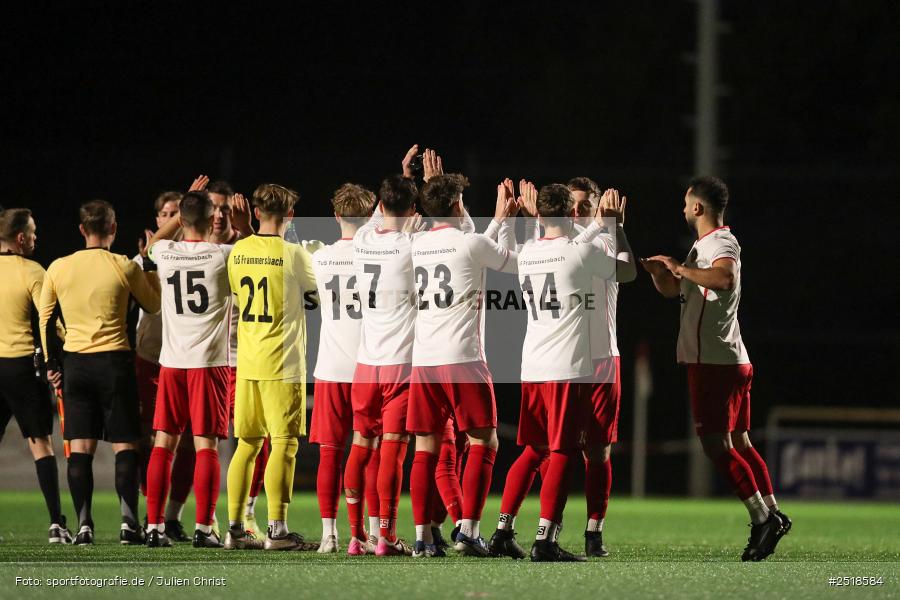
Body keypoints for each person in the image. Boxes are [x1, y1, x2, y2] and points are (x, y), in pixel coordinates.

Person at [640, 176, 791, 562]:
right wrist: (663, 275)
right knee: (740, 442)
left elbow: (724, 278)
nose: (682, 208)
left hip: (715, 363)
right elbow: (683, 292)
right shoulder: (702, 246)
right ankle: (772, 512)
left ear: (697, 208)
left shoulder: (721, 242)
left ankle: (762, 519)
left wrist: (681, 269)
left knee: (716, 446)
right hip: (729, 359)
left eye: (685, 202)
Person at [497, 182, 616, 562]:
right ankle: (546, 538)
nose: (581, 214)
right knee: (560, 451)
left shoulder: (533, 249)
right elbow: (614, 265)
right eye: (574, 208)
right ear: (568, 213)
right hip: (568, 365)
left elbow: (517, 249)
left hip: (545, 364)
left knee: (553, 450)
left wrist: (525, 220)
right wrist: (606, 223)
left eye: (587, 208)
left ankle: (507, 530)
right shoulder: (580, 248)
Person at [405, 173, 519, 558]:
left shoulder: (416, 243)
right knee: (483, 440)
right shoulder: (470, 242)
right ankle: (468, 530)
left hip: (423, 360)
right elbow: (515, 264)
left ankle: (422, 537)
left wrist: (496, 222)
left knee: (425, 448)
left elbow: (468, 243)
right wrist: (507, 222)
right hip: (463, 357)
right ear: (457, 205)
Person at [39, 199, 161, 545]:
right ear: (114, 229)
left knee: (80, 447)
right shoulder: (124, 265)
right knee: (125, 445)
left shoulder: (59, 267)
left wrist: (51, 365)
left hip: (76, 364)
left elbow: (46, 320)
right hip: (115, 363)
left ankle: (84, 526)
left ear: (82, 230)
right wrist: (148, 263)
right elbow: (152, 304)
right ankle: (127, 524)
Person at [224, 183, 317, 551]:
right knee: (284, 443)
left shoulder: (238, 251)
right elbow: (315, 297)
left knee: (246, 443)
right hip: (282, 361)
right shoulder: (293, 254)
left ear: (256, 212)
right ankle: (277, 530)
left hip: (247, 361)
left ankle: (235, 527)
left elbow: (236, 295)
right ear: (290, 215)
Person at [142, 191, 235, 549]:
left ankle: (154, 527)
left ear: (181, 220)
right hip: (208, 365)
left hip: (171, 364)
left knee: (163, 444)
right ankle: (203, 527)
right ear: (213, 219)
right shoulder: (222, 255)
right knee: (205, 446)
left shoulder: (165, 254)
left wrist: (177, 218)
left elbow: (152, 243)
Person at [306, 183, 375, 553]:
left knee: (330, 452)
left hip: (330, 365)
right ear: (368, 216)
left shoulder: (319, 257)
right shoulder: (376, 255)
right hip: (368, 365)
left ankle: (328, 535)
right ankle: (367, 532)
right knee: (370, 451)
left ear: (335, 215)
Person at [0, 208, 71, 544]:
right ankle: (56, 524)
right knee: (40, 444)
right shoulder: (32, 270)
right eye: (32, 232)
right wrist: (66, 349)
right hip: (21, 368)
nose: (36, 237)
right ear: (20, 238)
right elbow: (48, 322)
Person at [134, 189, 196, 542]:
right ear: (158, 220)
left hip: (182, 358)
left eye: (179, 212)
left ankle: (171, 516)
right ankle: (149, 513)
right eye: (166, 213)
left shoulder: (185, 254)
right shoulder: (144, 258)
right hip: (150, 357)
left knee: (185, 440)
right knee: (149, 439)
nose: (173, 218)